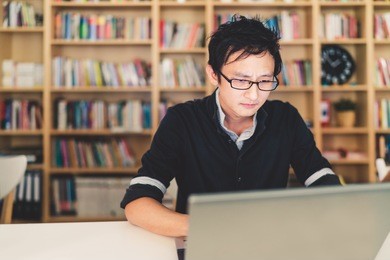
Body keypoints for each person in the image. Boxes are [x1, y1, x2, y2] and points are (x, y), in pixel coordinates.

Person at [120, 15, 341, 238]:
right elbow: (138, 204)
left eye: (265, 81)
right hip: (201, 244)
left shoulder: (286, 118)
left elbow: (324, 184)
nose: (254, 95)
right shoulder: (182, 120)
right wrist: (212, 227)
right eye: (241, 81)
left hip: (267, 244)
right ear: (214, 74)